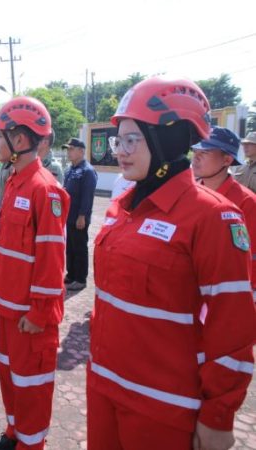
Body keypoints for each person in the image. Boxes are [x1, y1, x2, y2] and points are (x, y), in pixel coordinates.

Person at [89, 77, 256, 449]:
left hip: (163, 407)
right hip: (103, 386)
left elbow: (233, 328)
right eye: (119, 141)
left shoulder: (213, 217)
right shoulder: (121, 208)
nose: (120, 152)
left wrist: (218, 416)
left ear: (168, 139)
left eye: (132, 140)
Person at [0, 97, 70, 450]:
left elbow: (52, 259)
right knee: (10, 374)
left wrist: (39, 312)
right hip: (9, 309)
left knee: (31, 384)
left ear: (19, 139)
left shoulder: (45, 189)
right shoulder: (15, 180)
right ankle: (14, 434)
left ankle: (31, 444)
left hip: (30, 316)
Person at [191, 126, 256, 301]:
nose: (195, 157)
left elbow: (250, 259)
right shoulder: (187, 195)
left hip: (226, 295)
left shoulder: (246, 203)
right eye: (195, 151)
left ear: (227, 160)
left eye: (204, 152)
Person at [62, 138, 97, 291]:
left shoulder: (87, 171)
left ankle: (80, 279)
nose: (68, 152)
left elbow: (87, 196)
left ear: (81, 151)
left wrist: (82, 216)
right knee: (70, 247)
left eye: (71, 149)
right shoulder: (70, 169)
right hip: (68, 215)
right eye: (68, 149)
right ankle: (71, 274)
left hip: (79, 217)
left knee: (79, 247)